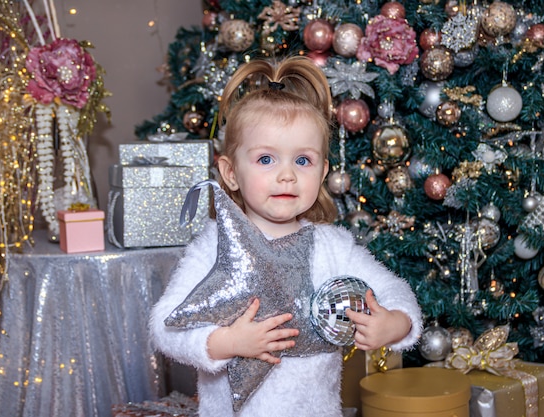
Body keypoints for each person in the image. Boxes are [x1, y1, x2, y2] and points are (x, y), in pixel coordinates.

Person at [149, 56, 422, 417]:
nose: (287, 176)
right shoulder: (214, 246)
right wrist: (225, 342)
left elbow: (393, 291)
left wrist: (396, 323)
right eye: (266, 159)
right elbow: (164, 325)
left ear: (323, 171)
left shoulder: (332, 246)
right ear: (230, 173)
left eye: (303, 161)